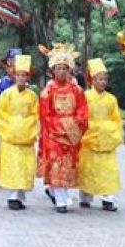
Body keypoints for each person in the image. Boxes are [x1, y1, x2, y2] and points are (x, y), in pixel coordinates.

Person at [38, 43, 89, 213]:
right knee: (56, 166)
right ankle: (60, 200)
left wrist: (74, 124)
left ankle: (62, 195)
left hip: (71, 134)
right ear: (53, 70)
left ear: (69, 70)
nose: (61, 71)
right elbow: (46, 116)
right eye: (58, 68)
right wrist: (62, 127)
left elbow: (82, 110)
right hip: (54, 135)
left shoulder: (77, 90)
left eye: (64, 68)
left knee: (68, 165)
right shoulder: (47, 91)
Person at [78, 58, 124, 211]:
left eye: (105, 79)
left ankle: (107, 198)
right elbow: (82, 117)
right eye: (100, 79)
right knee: (87, 168)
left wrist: (113, 132)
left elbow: (116, 119)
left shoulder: (111, 99)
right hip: (89, 137)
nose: (103, 82)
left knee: (107, 170)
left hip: (107, 138)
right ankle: (85, 197)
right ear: (92, 80)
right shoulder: (84, 97)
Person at [0, 54, 40, 210]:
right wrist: (11, 128)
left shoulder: (33, 96)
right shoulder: (6, 94)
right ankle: (12, 196)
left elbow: (36, 115)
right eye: (18, 75)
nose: (21, 78)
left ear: (28, 77)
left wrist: (28, 128)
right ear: (14, 75)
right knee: (13, 166)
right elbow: (1, 114)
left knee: (24, 166)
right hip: (11, 136)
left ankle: (21, 197)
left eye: (24, 75)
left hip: (26, 136)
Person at [0, 49, 21, 166]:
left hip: (19, 122)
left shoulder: (25, 86)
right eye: (12, 62)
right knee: (1, 146)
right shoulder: (0, 84)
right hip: (3, 122)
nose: (14, 66)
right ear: (7, 65)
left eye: (18, 62)